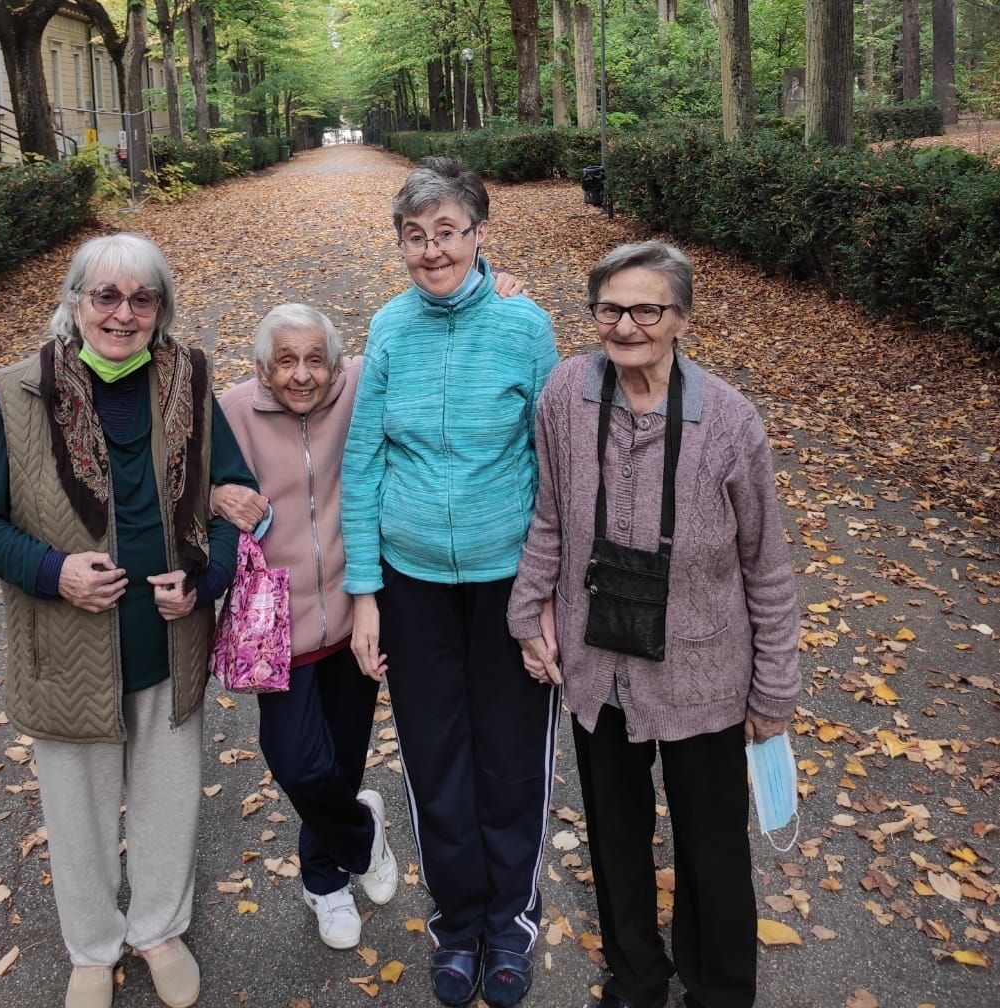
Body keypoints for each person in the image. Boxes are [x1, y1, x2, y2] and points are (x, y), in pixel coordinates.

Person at [0, 232, 259, 1008]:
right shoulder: (21, 391)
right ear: (76, 303)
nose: (122, 314)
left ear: (161, 309)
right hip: (67, 648)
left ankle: (157, 928)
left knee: (166, 801)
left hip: (168, 635)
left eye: (141, 298)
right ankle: (91, 947)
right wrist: (55, 572)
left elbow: (232, 495)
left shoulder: (189, 380)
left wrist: (204, 579)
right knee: (79, 813)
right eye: (106, 297)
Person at [508, 241, 801, 1008]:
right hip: (596, 663)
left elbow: (765, 564)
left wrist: (773, 688)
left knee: (710, 851)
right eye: (610, 308)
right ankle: (636, 976)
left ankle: (719, 989)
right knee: (615, 838)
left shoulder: (730, 422)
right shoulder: (566, 392)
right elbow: (549, 517)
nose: (626, 324)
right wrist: (525, 608)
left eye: (647, 309)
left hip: (702, 671)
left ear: (682, 318)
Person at [341, 158, 560, 1008]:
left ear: (478, 235)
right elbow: (362, 462)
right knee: (435, 757)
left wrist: (541, 594)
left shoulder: (523, 324)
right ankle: (456, 925)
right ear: (399, 244)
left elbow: (554, 466)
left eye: (446, 233)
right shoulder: (389, 327)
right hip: (412, 582)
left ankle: (510, 924)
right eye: (414, 236)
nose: (431, 251)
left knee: (510, 762)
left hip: (509, 581)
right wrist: (365, 593)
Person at [216, 304, 397, 951]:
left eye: (313, 359)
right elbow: (176, 481)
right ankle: (362, 833)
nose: (300, 374)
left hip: (355, 618)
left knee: (342, 762)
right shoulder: (232, 412)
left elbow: (427, 329)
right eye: (285, 361)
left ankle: (325, 884)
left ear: (334, 361)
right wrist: (214, 496)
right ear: (262, 365)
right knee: (297, 762)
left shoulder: (359, 387)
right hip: (276, 627)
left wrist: (498, 285)